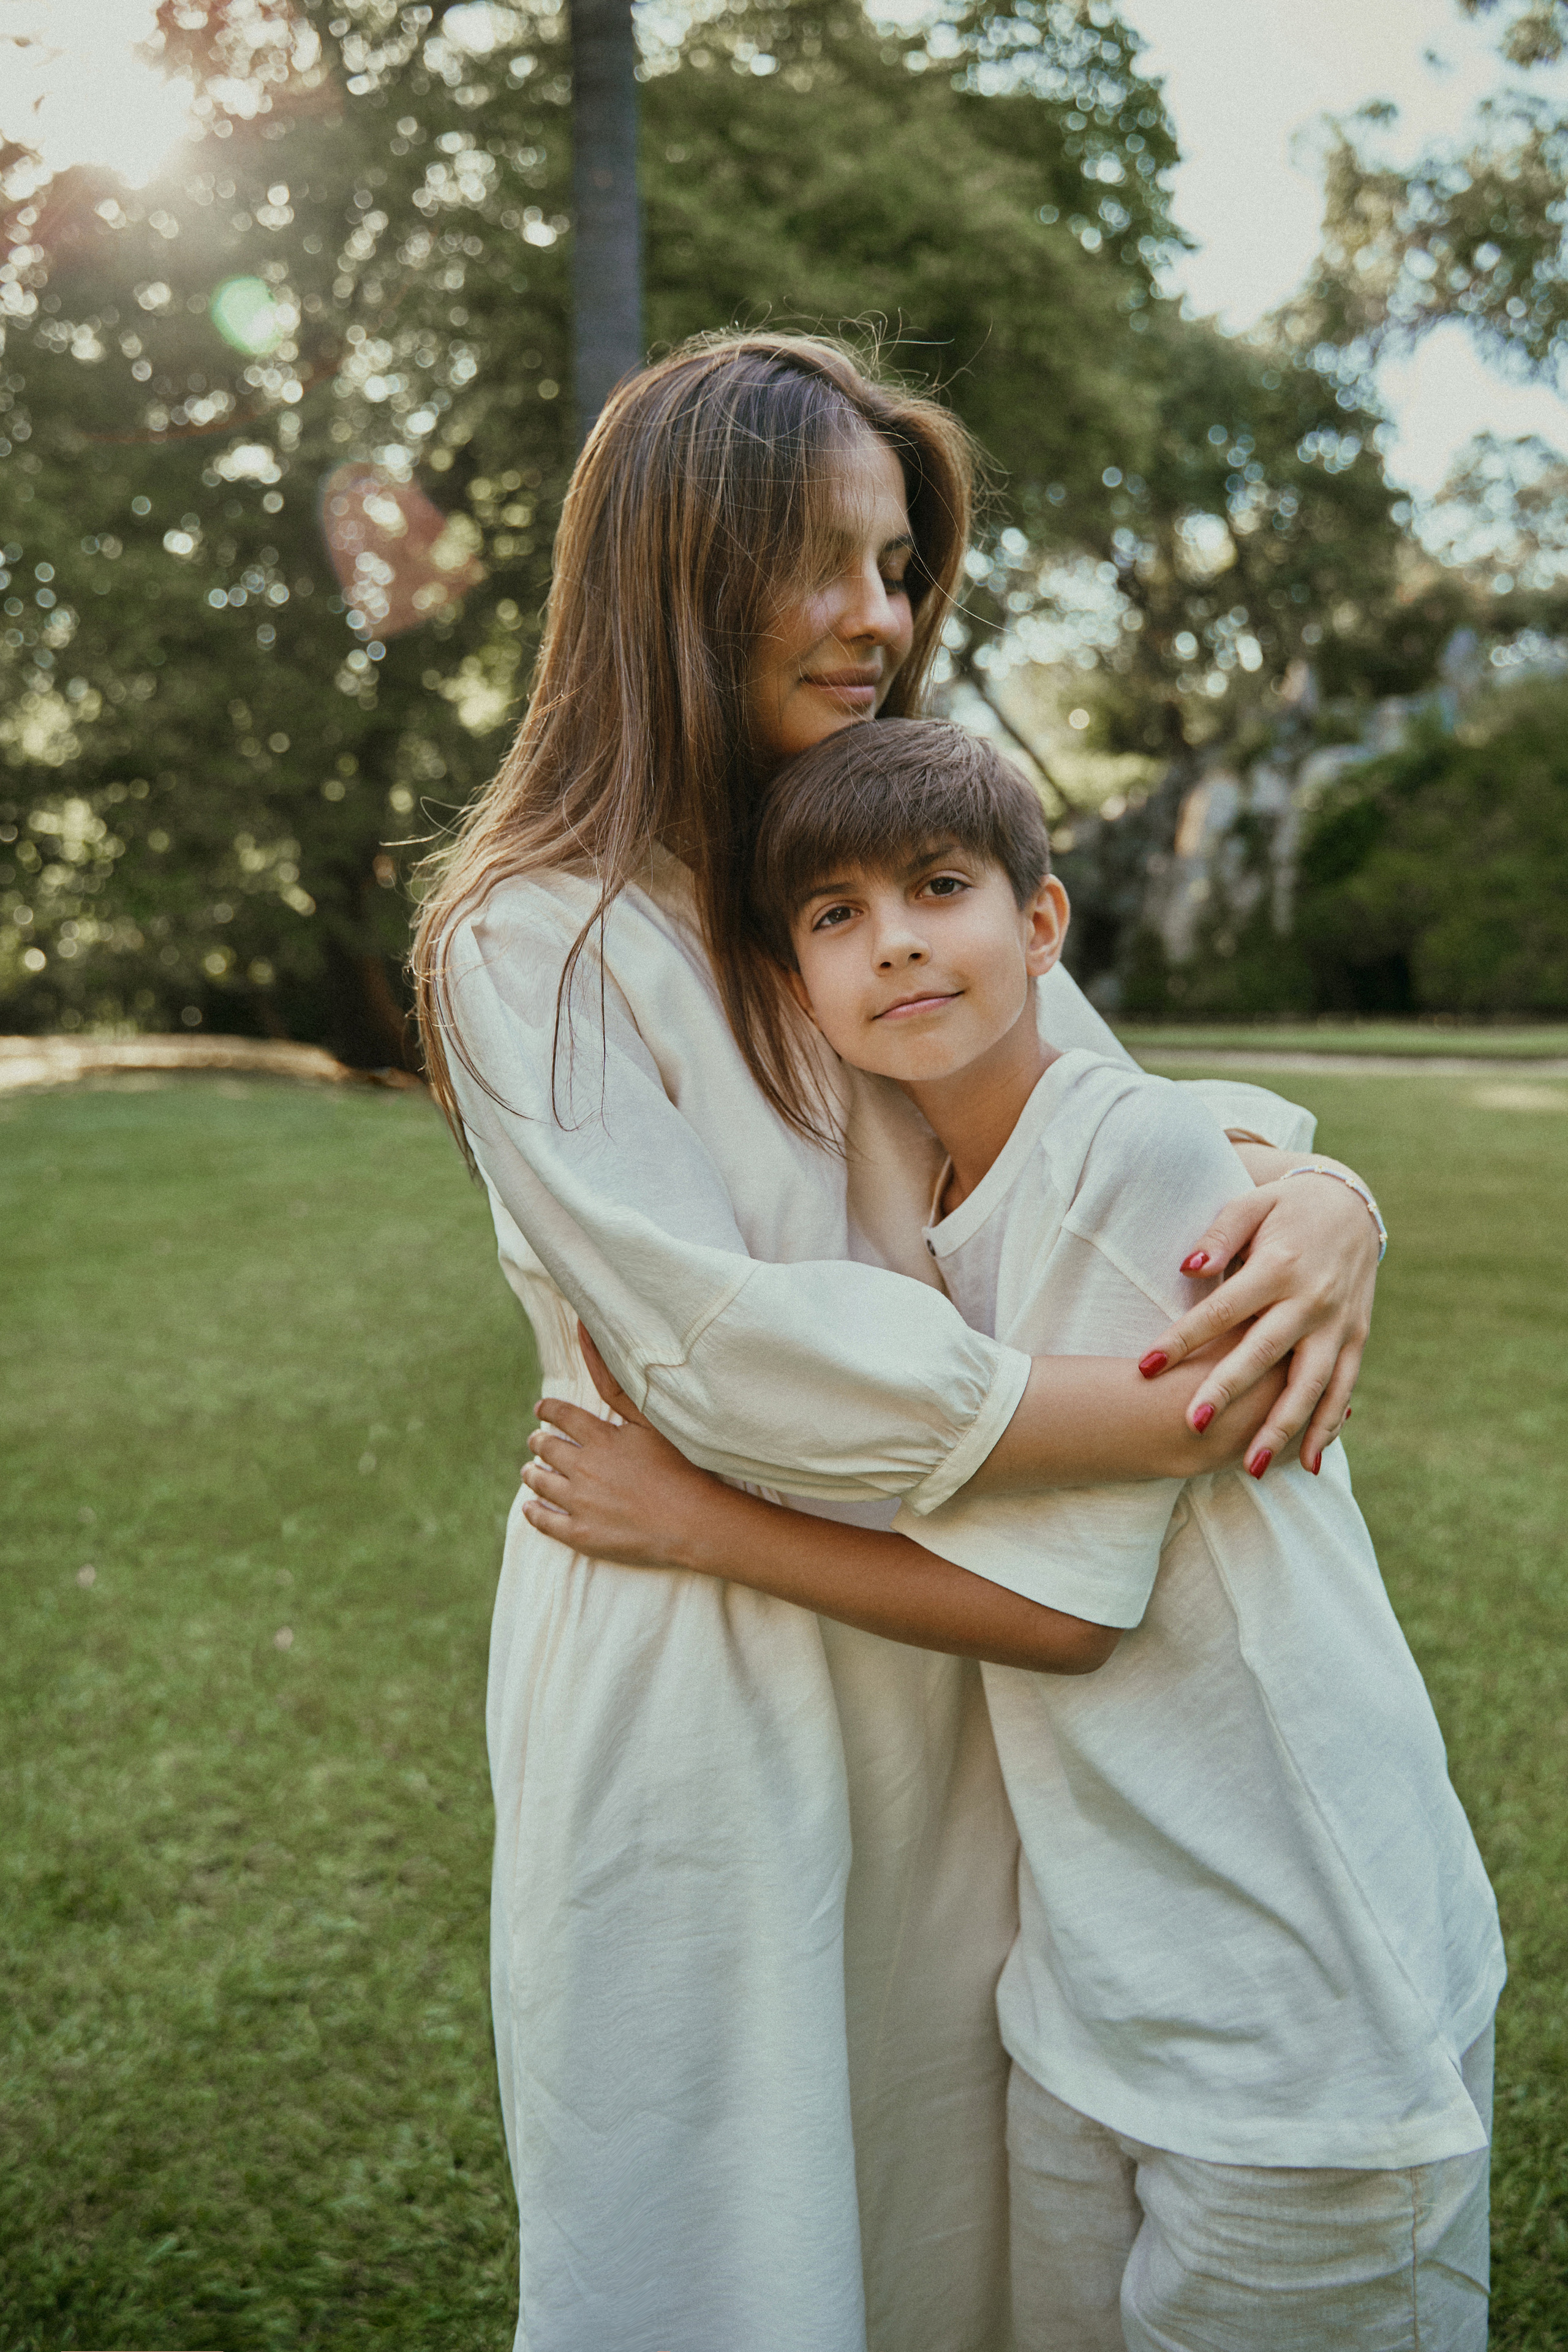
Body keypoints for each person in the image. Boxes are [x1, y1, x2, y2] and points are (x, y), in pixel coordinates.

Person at [412, 332, 1386, 2352]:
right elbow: (729, 1361)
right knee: (726, 2227)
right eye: (832, 564)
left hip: (948, 1644)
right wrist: (1177, 1415)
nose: (886, 616)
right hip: (700, 1649)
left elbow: (1097, 1116)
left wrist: (1317, 1194)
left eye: (902, 567)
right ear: (681, 571)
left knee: (945, 2211)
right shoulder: (534, 933)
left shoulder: (856, 876)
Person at [522, 717, 1504, 2352]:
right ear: (795, 988)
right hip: (1095, 1991)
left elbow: (1066, 1620)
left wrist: (699, 1522)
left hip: (1304, 2005)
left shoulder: (1126, 1153)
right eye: (835, 916)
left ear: (1040, 923)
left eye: (939, 887)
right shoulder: (921, 1202)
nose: (895, 940)